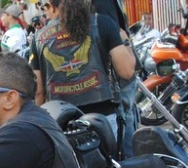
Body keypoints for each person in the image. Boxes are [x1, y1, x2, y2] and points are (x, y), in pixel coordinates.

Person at [32, 0, 135, 143]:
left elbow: (38, 92)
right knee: (114, 162)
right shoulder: (102, 23)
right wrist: (126, 42)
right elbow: (127, 71)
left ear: (52, 6)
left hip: (63, 122)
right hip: (103, 117)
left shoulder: (38, 38)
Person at [93, 0, 139, 158]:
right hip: (117, 76)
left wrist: (127, 47)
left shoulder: (100, 4)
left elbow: (116, 34)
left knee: (123, 128)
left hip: (117, 78)